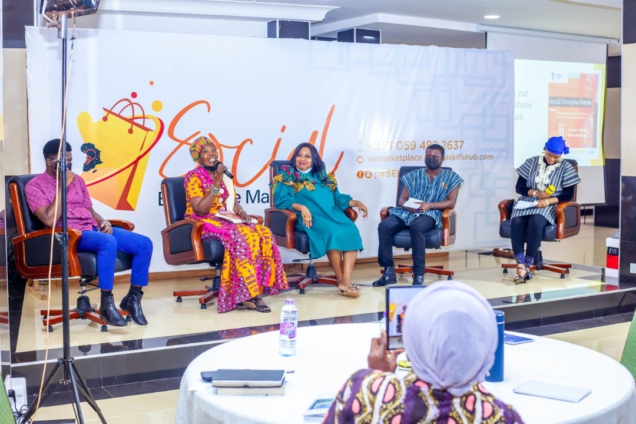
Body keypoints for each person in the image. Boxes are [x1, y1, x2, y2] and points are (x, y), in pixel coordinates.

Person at [324, 281, 524, 424]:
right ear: (486, 347)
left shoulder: (364, 390)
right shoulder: (503, 416)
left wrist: (377, 378)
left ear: (413, 340)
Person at [25, 139, 153, 327]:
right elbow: (49, 220)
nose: (68, 165)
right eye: (63, 162)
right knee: (107, 242)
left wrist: (104, 222)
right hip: (69, 234)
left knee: (144, 244)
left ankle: (132, 299)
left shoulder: (78, 180)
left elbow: (90, 210)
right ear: (49, 161)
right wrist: (63, 186)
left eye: (70, 160)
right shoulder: (34, 186)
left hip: (91, 228)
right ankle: (106, 303)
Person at [184, 136, 288, 313]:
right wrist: (216, 182)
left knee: (263, 232)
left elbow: (232, 202)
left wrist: (242, 213)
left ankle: (253, 288)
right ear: (198, 158)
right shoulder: (192, 177)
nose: (212, 154)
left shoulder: (225, 176)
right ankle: (253, 295)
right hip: (202, 221)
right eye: (205, 152)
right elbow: (201, 209)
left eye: (214, 150)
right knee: (240, 235)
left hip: (224, 218)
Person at [272, 143, 367, 298]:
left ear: (314, 159)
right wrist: (302, 207)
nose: (302, 159)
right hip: (309, 218)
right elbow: (282, 201)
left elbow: (338, 199)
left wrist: (356, 202)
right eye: (299, 155)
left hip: (331, 214)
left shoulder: (323, 177)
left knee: (351, 230)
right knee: (333, 233)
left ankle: (346, 281)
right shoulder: (287, 176)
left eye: (307, 156)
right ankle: (342, 281)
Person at [374, 144, 462, 286]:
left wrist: (429, 205)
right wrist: (410, 207)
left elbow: (451, 202)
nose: (431, 158)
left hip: (431, 213)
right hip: (408, 212)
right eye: (428, 156)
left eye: (435, 156)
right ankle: (388, 271)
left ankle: (419, 275)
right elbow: (402, 200)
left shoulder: (452, 177)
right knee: (384, 226)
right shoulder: (413, 175)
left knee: (418, 226)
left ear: (442, 159)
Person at [511, 136, 581, 284]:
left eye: (556, 157)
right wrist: (535, 193)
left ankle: (527, 265)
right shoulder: (531, 162)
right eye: (549, 155)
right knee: (516, 221)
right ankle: (520, 264)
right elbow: (519, 187)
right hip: (528, 201)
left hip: (550, 205)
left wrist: (547, 201)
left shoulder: (566, 168)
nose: (551, 159)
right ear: (545, 150)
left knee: (536, 220)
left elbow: (568, 195)